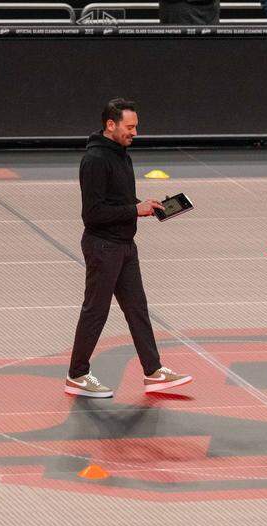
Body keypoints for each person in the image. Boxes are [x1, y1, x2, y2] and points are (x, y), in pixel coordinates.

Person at [65, 98, 192, 399]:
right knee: (96, 310)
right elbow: (93, 213)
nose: (135, 132)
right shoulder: (95, 160)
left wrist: (145, 206)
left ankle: (153, 371)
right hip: (103, 246)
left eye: (136, 126)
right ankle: (77, 374)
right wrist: (136, 211)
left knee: (137, 309)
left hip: (124, 245)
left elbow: (118, 201)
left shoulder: (122, 154)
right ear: (111, 124)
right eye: (130, 126)